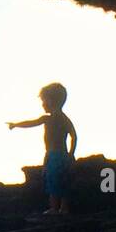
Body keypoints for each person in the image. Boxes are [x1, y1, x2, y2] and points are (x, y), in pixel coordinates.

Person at [8, 82, 77, 214]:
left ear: (50, 101)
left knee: (55, 181)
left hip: (57, 155)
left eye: (44, 100)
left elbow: (32, 123)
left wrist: (71, 153)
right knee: (58, 180)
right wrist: (70, 154)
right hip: (53, 154)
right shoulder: (59, 119)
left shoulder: (53, 119)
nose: (42, 104)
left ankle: (56, 208)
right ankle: (62, 208)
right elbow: (74, 136)